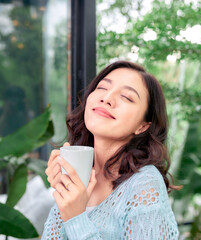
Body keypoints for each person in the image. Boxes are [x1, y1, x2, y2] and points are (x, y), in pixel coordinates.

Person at [42, 61, 180, 239]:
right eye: (102, 88)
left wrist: (75, 217)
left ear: (142, 126)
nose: (106, 98)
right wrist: (64, 196)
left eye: (127, 97)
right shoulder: (77, 174)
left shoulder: (144, 183)